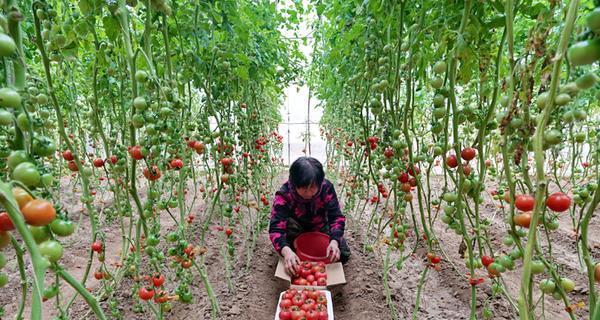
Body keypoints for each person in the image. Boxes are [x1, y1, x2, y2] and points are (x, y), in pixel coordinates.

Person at [269, 157, 350, 276]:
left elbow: (336, 217)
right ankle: (293, 247)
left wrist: (334, 241)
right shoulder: (284, 194)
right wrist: (286, 251)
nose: (308, 193)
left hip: (319, 227)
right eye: (303, 188)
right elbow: (276, 228)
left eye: (312, 187)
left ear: (320, 182)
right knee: (290, 257)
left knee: (342, 253)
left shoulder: (326, 188)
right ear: (294, 183)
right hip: (295, 229)